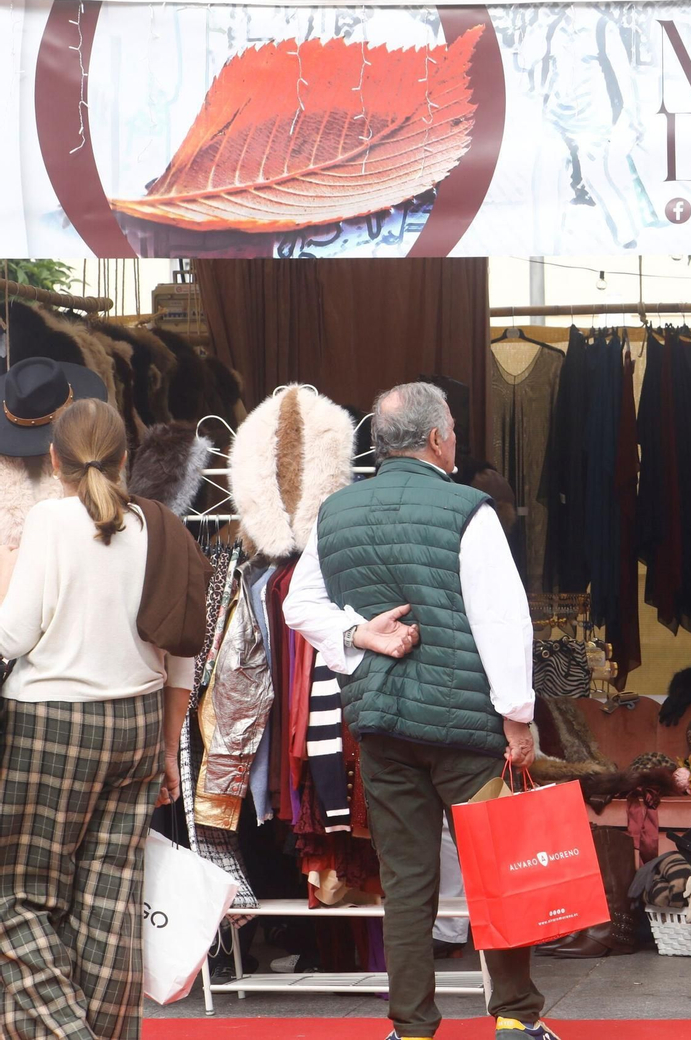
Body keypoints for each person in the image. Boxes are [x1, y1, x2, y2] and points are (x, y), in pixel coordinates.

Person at [283, 382, 553, 1040]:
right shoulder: (470, 510)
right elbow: (503, 620)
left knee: (406, 882)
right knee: (500, 873)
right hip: (467, 728)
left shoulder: (336, 511)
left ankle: (411, 1029)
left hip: (381, 722)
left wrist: (358, 634)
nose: (456, 438)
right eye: (454, 429)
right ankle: (515, 1021)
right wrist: (518, 718)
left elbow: (298, 605)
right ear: (437, 439)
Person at [0, 377, 208, 1040]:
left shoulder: (50, 522)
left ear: (54, 460)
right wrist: (172, 747)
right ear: (126, 458)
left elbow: (14, 636)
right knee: (111, 903)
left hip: (50, 724)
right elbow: (183, 654)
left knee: (18, 897)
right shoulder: (164, 526)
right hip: (139, 725)